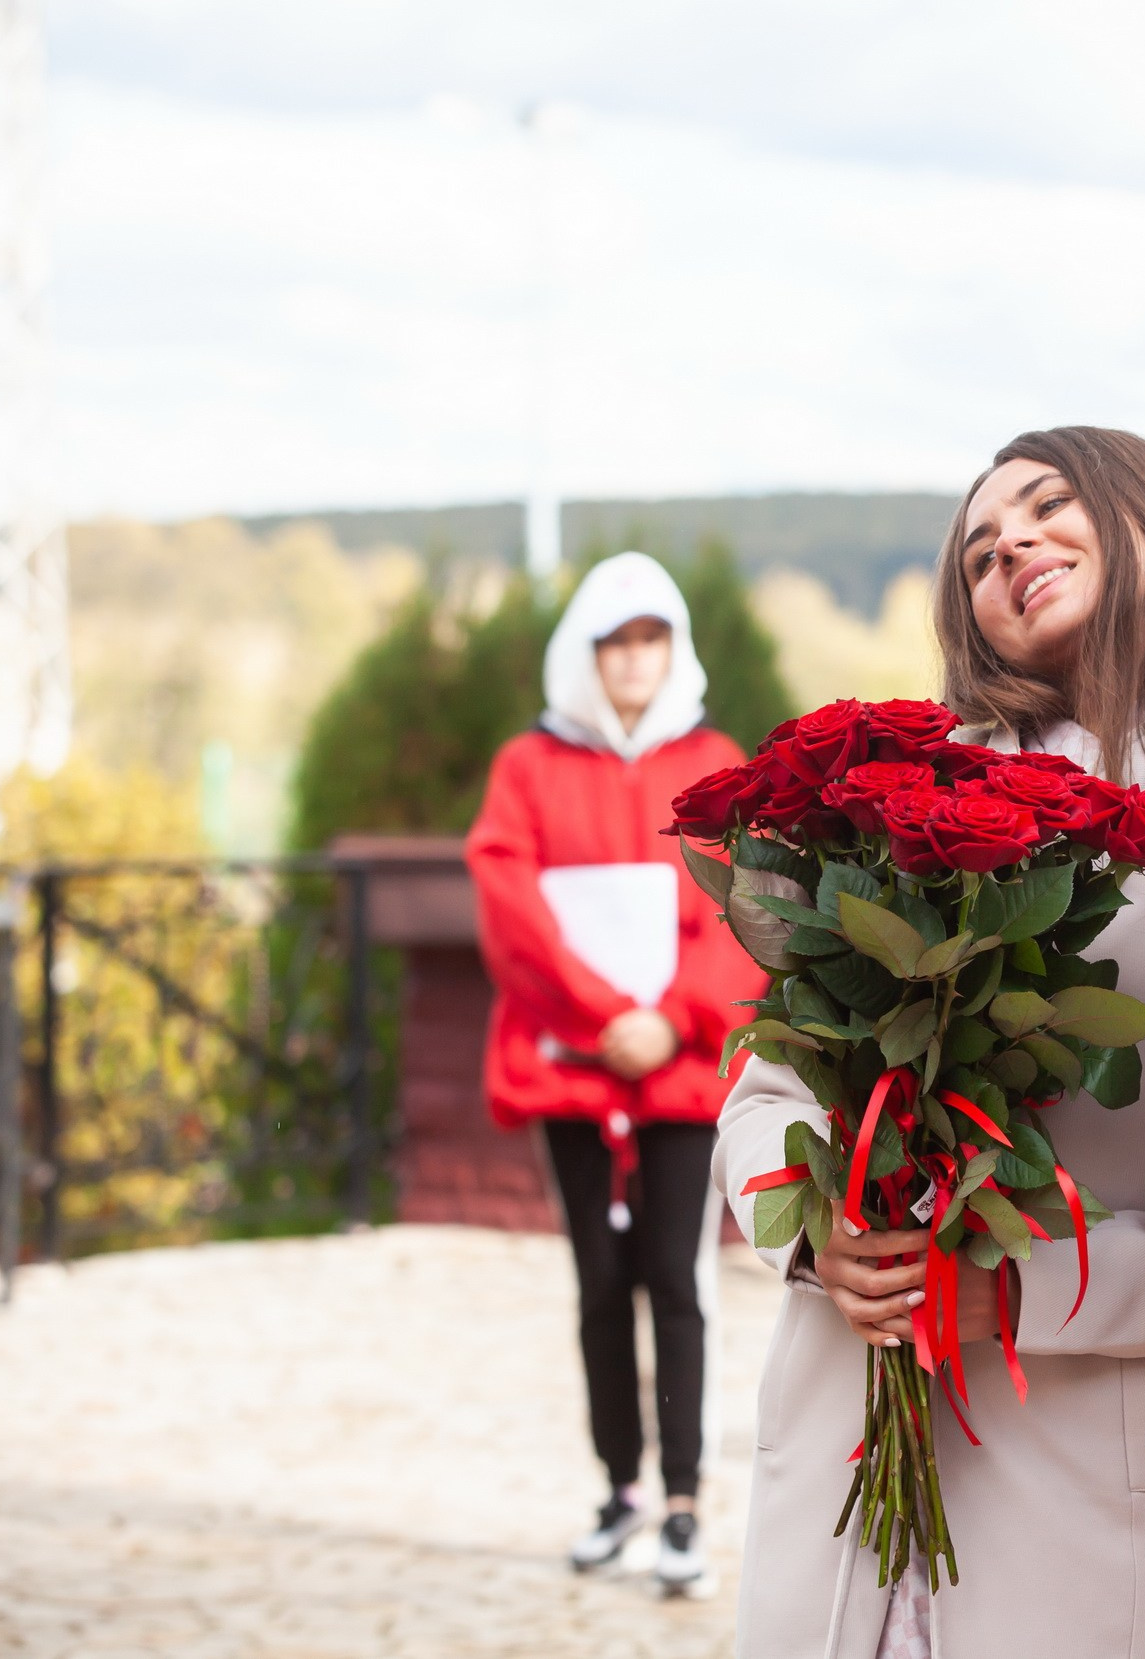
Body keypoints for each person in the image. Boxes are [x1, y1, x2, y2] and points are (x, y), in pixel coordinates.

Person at [710, 427, 1145, 1658]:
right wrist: (823, 1222)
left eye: (1045, 504)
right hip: (855, 1431)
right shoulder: (896, 799)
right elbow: (763, 1090)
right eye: (977, 550)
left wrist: (1017, 1289)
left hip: (1093, 1460)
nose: (1008, 543)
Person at [465, 551, 766, 1592]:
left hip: (679, 1074)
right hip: (574, 1070)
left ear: (672, 649)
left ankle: (684, 1500)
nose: (634, 658)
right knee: (599, 1284)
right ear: (585, 653)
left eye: (651, 638)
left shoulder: (715, 757)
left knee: (678, 1284)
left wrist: (673, 1016)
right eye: (615, 639)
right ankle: (620, 1487)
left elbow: (742, 905)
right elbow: (511, 911)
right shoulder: (527, 767)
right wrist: (605, 1018)